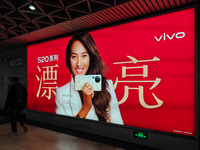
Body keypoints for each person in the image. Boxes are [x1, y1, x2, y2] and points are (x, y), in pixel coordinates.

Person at [55, 33, 123, 124]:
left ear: (90, 57)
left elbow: (118, 124)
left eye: (84, 56)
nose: (79, 63)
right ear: (69, 59)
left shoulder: (106, 85)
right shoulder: (61, 92)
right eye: (74, 56)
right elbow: (64, 130)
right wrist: (86, 107)